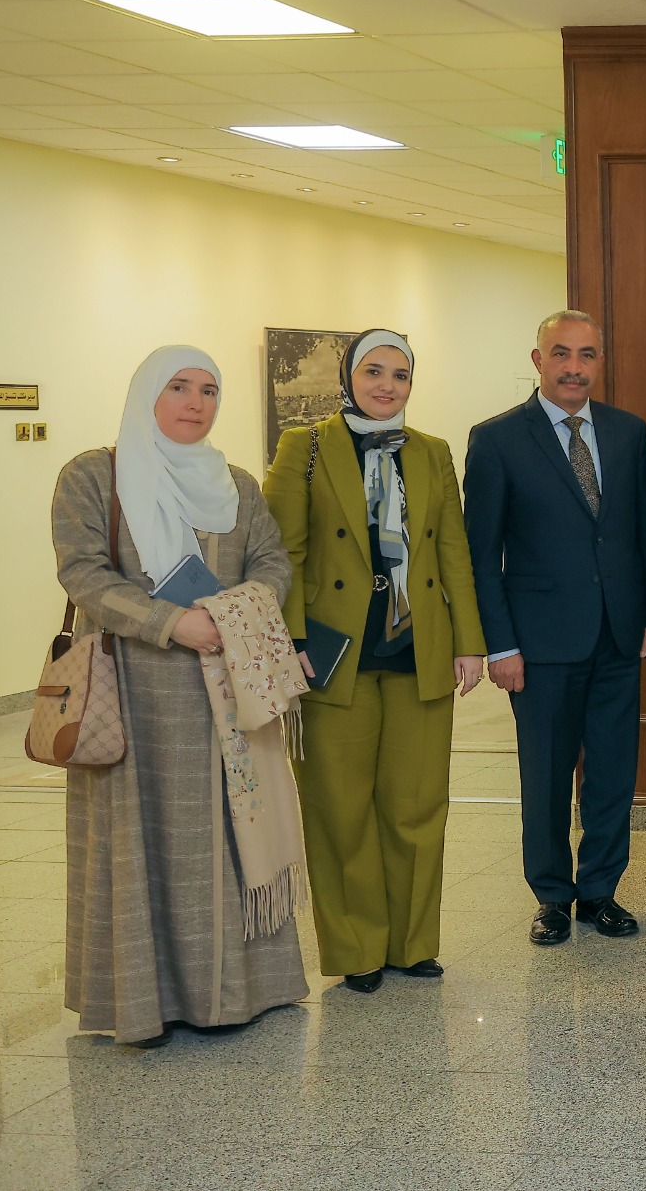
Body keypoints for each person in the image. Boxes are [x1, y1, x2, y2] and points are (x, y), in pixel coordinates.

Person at [52, 347, 307, 1046]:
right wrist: (173, 623)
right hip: (134, 695)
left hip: (227, 692)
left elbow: (271, 560)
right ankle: (146, 1004)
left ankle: (236, 993)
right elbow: (83, 573)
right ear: (146, 395)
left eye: (209, 390)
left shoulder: (236, 484)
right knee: (142, 842)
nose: (197, 402)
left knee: (227, 836)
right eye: (179, 387)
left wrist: (233, 613)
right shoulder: (93, 476)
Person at [261, 330, 487, 992]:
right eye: (373, 371)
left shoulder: (432, 451)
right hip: (334, 654)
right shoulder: (305, 447)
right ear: (349, 376)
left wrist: (469, 640)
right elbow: (283, 552)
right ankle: (358, 947)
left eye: (400, 374)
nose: (387, 385)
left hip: (418, 649)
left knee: (417, 806)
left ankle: (413, 944)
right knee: (340, 810)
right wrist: (291, 643)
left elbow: (454, 552)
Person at [465, 310, 646, 946]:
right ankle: (552, 895)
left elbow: (642, 534)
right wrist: (500, 644)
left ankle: (600, 889)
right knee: (546, 776)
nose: (574, 367)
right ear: (538, 360)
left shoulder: (627, 432)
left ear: (599, 361)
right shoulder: (497, 439)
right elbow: (481, 555)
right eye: (561, 353)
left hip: (618, 634)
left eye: (586, 355)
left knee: (613, 772)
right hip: (539, 643)